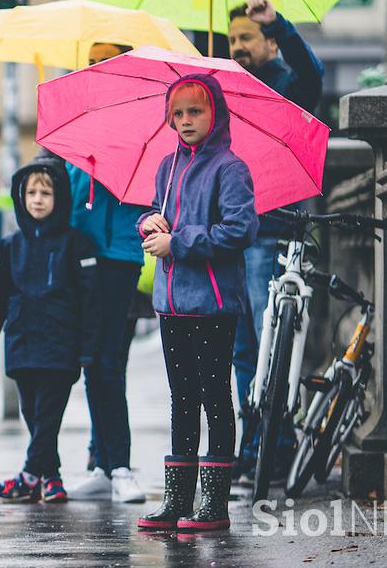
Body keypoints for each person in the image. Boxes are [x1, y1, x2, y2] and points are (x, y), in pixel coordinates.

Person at [134, 74, 258, 532]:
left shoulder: (230, 169)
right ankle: (177, 500)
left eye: (196, 111)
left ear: (215, 114)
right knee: (181, 399)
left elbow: (240, 230)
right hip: (171, 303)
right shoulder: (167, 166)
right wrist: (150, 224)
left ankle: (213, 503)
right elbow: (152, 213)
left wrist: (179, 242)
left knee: (214, 398)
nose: (186, 121)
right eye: (178, 113)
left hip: (212, 304)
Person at [228, 0, 324, 481]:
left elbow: (313, 75)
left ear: (267, 42)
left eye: (247, 38)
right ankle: (252, 446)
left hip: (272, 231)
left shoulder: (286, 84)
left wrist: (280, 25)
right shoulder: (224, 89)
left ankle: (274, 443)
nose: (238, 47)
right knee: (245, 350)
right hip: (232, 234)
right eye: (232, 40)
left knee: (273, 346)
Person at [0, 159, 102, 504]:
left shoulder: (78, 244)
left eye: (46, 192)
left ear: (59, 197)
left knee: (48, 416)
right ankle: (51, 477)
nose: (38, 199)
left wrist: (88, 347)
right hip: (22, 342)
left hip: (61, 346)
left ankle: (28, 476)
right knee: (33, 415)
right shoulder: (11, 245)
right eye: (31, 192)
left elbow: (91, 302)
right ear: (21, 197)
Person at [66, 41, 148, 503]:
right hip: (81, 256)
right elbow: (71, 187)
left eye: (107, 60)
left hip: (119, 255)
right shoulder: (79, 119)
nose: (97, 68)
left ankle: (119, 465)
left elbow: (148, 188)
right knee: (93, 362)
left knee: (109, 360)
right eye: (92, 61)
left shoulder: (138, 120)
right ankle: (101, 461)